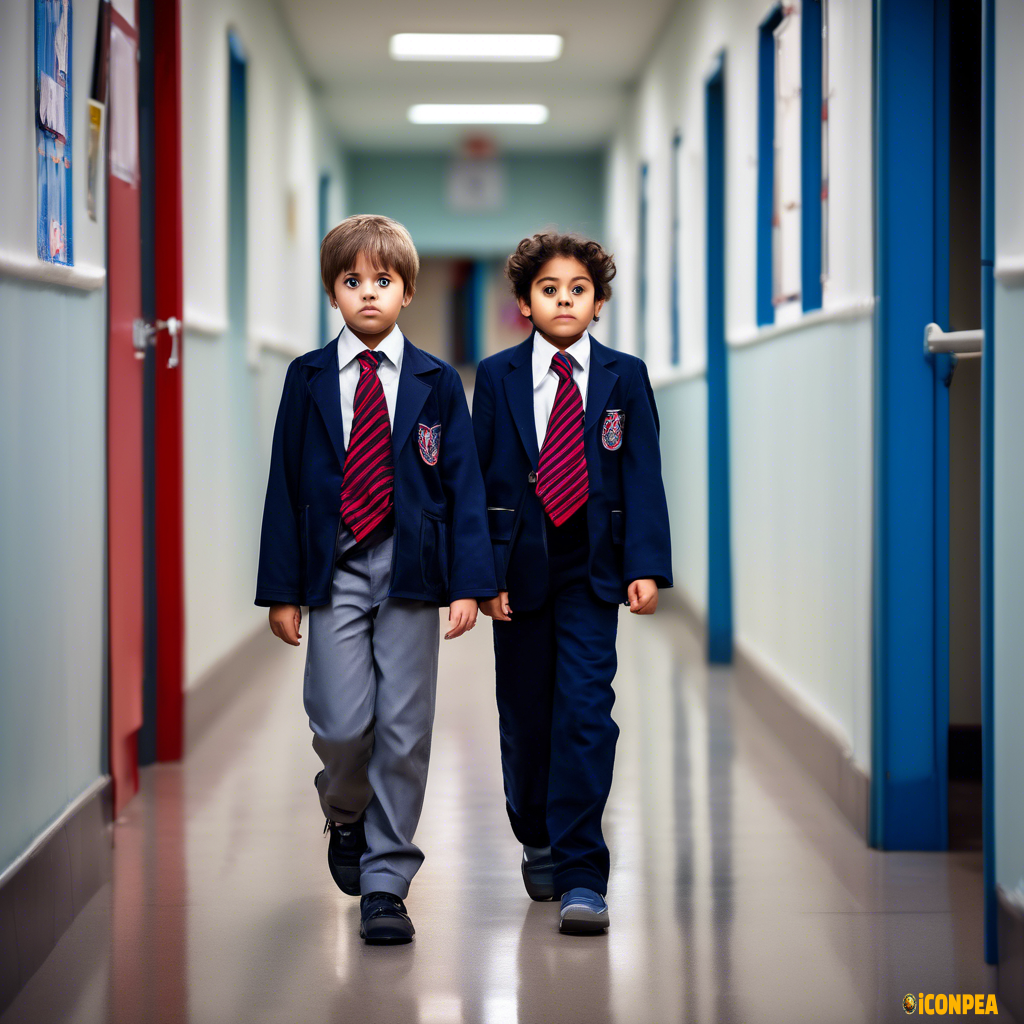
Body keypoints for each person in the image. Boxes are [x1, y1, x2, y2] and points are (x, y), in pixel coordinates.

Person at [256, 214, 496, 945]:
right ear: (333, 291)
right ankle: (344, 808)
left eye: (382, 281)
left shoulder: (436, 383)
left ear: (408, 291)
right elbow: (284, 486)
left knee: (403, 729)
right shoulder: (305, 380)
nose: (367, 293)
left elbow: (463, 485)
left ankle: (387, 883)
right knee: (340, 721)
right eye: (352, 280)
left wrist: (469, 583)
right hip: (334, 566)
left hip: (413, 568)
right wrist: (283, 588)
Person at [473, 232, 672, 934]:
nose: (564, 299)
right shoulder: (497, 378)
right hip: (518, 568)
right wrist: (481, 574)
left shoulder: (624, 376)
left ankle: (585, 870)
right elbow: (478, 481)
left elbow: (642, 474)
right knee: (527, 716)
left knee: (586, 710)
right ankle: (537, 830)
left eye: (578, 289)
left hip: (593, 567)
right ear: (525, 303)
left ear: (598, 301)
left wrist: (645, 564)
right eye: (549, 289)